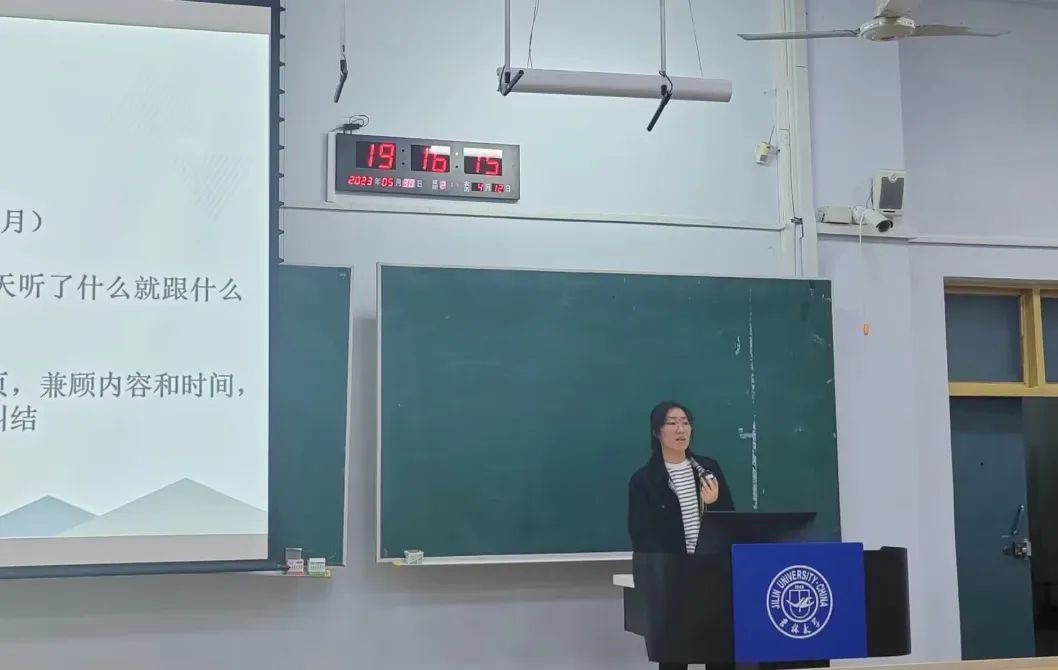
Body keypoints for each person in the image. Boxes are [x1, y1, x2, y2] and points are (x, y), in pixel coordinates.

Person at [627, 400, 735, 670]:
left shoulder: (708, 470)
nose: (680, 429)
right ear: (657, 431)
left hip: (712, 577)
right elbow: (641, 535)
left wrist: (714, 504)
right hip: (671, 581)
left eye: (685, 423)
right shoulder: (645, 481)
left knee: (720, 653)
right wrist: (670, 572)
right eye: (672, 423)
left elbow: (730, 522)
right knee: (674, 657)